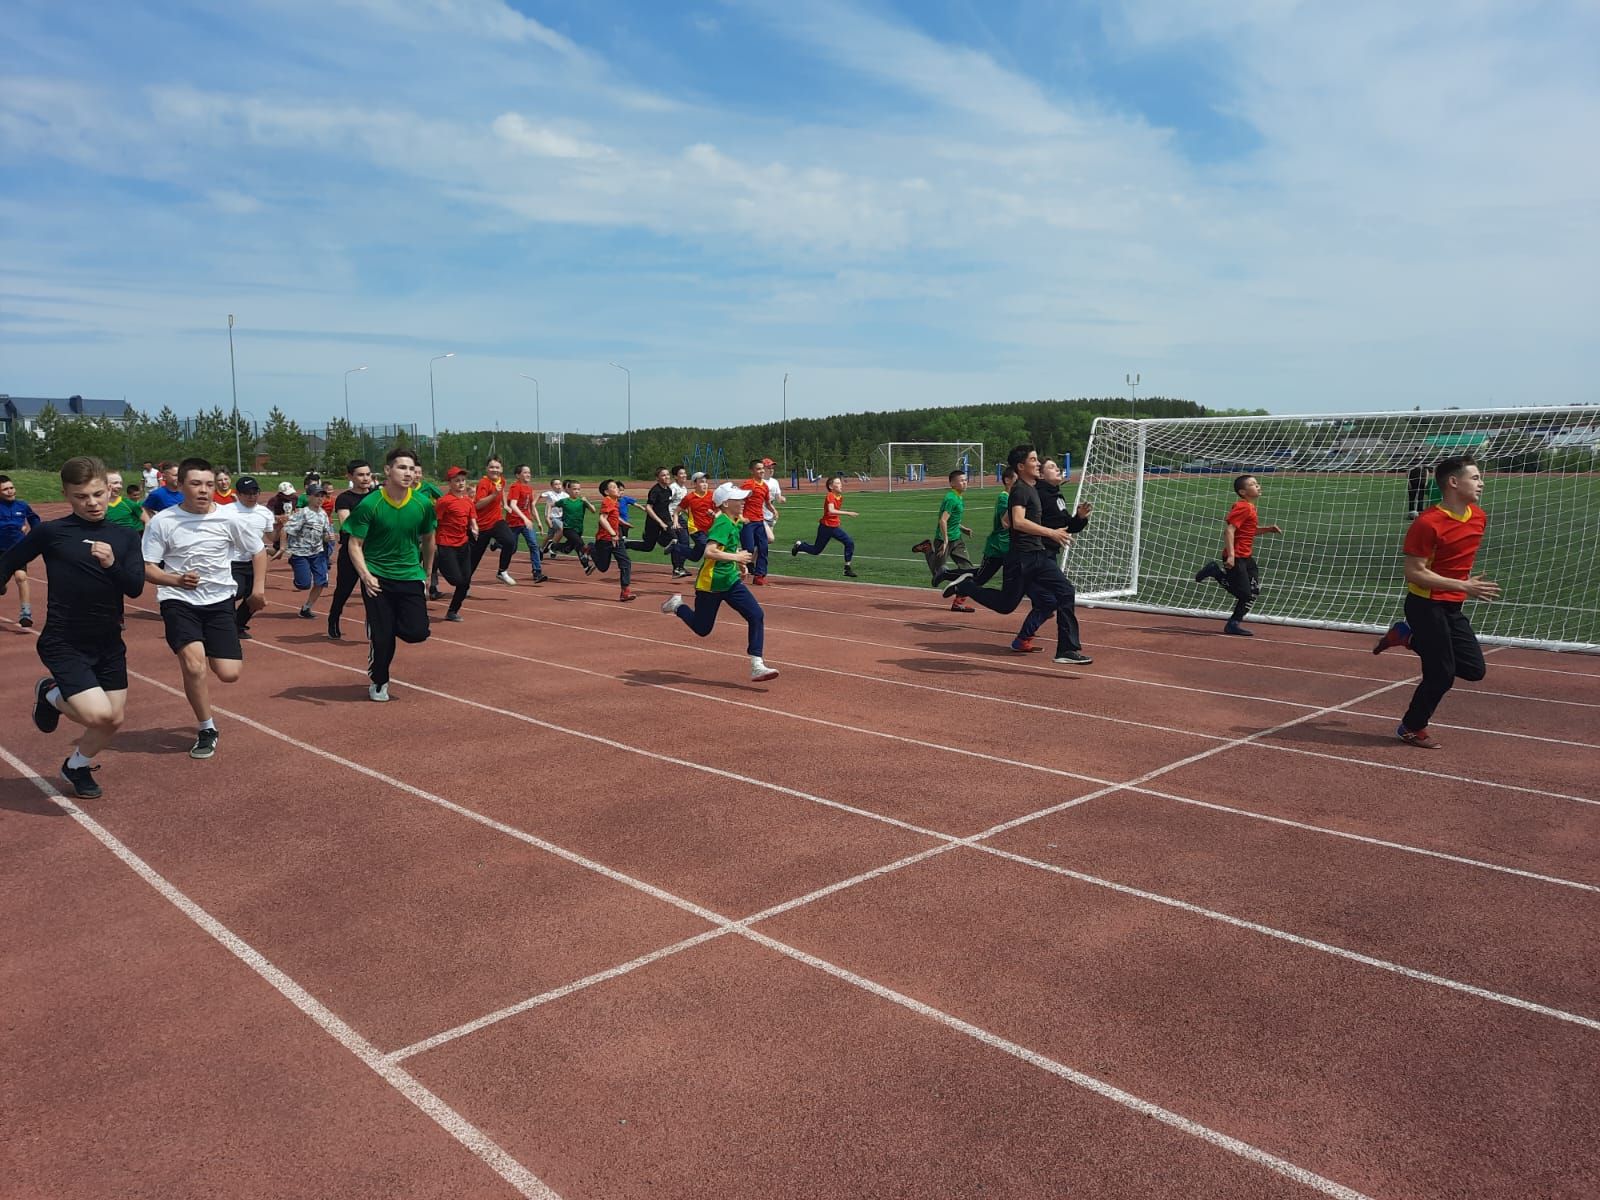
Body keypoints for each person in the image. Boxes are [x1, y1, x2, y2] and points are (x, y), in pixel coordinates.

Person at [2, 460, 146, 795]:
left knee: (114, 719)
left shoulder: (124, 536)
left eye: (97, 494)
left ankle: (76, 766)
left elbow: (135, 587)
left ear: (109, 490)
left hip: (109, 642)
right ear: (66, 494)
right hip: (64, 640)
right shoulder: (51, 533)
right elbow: (8, 561)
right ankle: (51, 694)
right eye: (82, 496)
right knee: (97, 716)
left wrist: (111, 564)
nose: (92, 502)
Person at [142, 457, 267, 758]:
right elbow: (148, 568)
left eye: (209, 484)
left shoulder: (230, 518)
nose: (204, 490)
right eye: (196, 484)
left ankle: (208, 644)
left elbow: (259, 551)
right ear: (180, 485)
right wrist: (176, 580)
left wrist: (258, 591)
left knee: (229, 673)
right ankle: (206, 727)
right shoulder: (164, 521)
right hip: (178, 600)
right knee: (194, 665)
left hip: (220, 601)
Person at [1373, 453, 1499, 749]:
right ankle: (1411, 727)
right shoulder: (1427, 523)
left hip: (1453, 605)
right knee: (1440, 673)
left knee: (1473, 670)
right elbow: (1414, 573)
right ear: (1454, 482)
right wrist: (1463, 585)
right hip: (1424, 605)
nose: (1481, 483)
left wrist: (1461, 587)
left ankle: (1405, 636)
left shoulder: (1479, 517)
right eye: (1476, 477)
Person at [344, 447, 437, 701]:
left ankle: (381, 624)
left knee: (418, 632)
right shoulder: (370, 504)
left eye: (411, 469)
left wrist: (427, 574)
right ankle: (379, 680)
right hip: (378, 578)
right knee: (383, 639)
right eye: (401, 467)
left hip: (410, 575)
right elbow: (354, 544)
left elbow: (429, 539)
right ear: (387, 470)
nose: (407, 474)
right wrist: (364, 575)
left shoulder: (422, 504)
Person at [660, 482, 778, 682]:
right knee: (702, 629)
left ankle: (757, 664)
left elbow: (730, 546)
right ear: (724, 503)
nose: (743, 502)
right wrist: (737, 558)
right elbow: (709, 551)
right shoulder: (723, 522)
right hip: (711, 584)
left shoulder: (734, 520)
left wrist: (738, 563)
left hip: (730, 582)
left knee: (756, 615)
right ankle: (678, 606)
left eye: (743, 498)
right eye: (738, 499)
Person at [997, 444, 1093, 665]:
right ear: (1040, 474)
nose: (1057, 469)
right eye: (1051, 466)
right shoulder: (1034, 490)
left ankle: (1026, 640)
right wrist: (1040, 533)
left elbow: (1067, 527)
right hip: (1031, 556)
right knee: (1039, 601)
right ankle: (965, 585)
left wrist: (1079, 518)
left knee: (1047, 602)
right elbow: (1008, 520)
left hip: (1044, 555)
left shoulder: (1056, 495)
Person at [1193, 474, 1283, 636]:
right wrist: (1231, 556)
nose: (1258, 486)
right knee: (1244, 594)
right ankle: (1214, 571)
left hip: (1247, 557)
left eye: (1257, 483)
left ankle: (1233, 624)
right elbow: (1229, 530)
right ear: (1243, 491)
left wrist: (1268, 529)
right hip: (1237, 557)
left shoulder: (1249, 507)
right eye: (1253, 484)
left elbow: (1248, 531)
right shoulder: (1243, 507)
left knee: (1253, 593)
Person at [945, 464, 1019, 613]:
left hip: (1009, 547)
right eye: (1017, 480)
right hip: (998, 546)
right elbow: (1006, 523)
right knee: (979, 578)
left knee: (1017, 579)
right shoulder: (1004, 498)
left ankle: (958, 600)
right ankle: (945, 575)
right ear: (1007, 480)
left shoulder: (1014, 497)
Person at [327, 459, 375, 641]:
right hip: (351, 551)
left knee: (372, 590)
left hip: (373, 553)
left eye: (368, 474)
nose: (365, 478)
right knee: (343, 590)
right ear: (350, 476)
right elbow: (347, 524)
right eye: (360, 475)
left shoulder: (377, 495)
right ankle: (334, 617)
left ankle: (372, 624)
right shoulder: (344, 498)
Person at [230, 477, 277, 639]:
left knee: (255, 598)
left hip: (256, 561)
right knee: (235, 592)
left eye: (255, 492)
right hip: (232, 561)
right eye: (247, 493)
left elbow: (271, 536)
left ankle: (238, 624)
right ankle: (224, 622)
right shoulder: (227, 511)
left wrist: (281, 527)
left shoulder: (264, 513)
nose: (252, 496)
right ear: (238, 494)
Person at [914, 470, 976, 587]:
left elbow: (953, 520)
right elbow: (943, 520)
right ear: (952, 484)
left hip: (957, 539)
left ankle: (960, 597)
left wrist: (962, 529)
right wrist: (946, 540)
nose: (965, 483)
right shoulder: (951, 498)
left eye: (965, 480)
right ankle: (927, 549)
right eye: (961, 481)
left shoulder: (958, 497)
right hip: (943, 540)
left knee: (967, 568)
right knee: (938, 573)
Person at [432, 467, 478, 622]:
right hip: (446, 544)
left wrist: (475, 527)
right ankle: (437, 563)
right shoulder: (444, 501)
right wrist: (432, 542)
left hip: (463, 544)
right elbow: (434, 522)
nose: (460, 483)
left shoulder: (467, 501)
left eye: (463, 480)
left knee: (465, 581)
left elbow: (472, 518)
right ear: (450, 483)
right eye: (457, 481)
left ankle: (452, 611)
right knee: (456, 580)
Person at [284, 483, 336, 619]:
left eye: (322, 496)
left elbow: (325, 534)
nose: (320, 499)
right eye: (316, 496)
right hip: (301, 553)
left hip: (318, 552)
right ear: (308, 497)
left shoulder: (323, 514)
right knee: (304, 584)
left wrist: (328, 537)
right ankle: (296, 566)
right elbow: (286, 529)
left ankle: (306, 608)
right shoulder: (302, 513)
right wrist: (283, 547)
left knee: (321, 581)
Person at [791, 474, 859, 577]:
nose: (841, 485)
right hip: (826, 527)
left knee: (849, 542)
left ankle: (847, 568)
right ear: (831, 487)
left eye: (840, 483)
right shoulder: (830, 495)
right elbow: (831, 511)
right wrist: (848, 513)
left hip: (834, 527)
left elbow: (834, 512)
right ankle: (799, 546)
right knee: (816, 550)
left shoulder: (840, 497)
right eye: (837, 483)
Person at [1, 474, 43, 627]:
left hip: (18, 549)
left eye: (11, 488)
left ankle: (26, 613)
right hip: (1, 551)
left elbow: (34, 520)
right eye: (5, 489)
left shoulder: (22, 506)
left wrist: (35, 533)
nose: (10, 491)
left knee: (21, 577)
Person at [470, 456, 519, 586]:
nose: (494, 470)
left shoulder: (501, 481)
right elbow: (478, 504)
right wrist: (493, 495)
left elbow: (501, 491)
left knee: (510, 541)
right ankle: (464, 583)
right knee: (474, 558)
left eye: (497, 467)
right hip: (482, 526)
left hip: (496, 521)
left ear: (501, 469)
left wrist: (505, 504)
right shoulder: (483, 483)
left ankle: (502, 571)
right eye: (491, 467)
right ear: (486, 469)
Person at [592, 479, 637, 601]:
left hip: (616, 539)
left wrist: (624, 523)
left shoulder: (615, 501)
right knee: (602, 567)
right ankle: (591, 548)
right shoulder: (607, 501)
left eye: (617, 487)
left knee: (625, 562)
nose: (617, 489)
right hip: (605, 539)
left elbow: (614, 518)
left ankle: (625, 592)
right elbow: (602, 518)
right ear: (606, 492)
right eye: (613, 487)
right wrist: (612, 533)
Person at [505, 464, 549, 582]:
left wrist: (538, 521)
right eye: (525, 472)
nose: (528, 474)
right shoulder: (515, 487)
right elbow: (513, 505)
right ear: (518, 475)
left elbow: (531, 506)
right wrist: (524, 518)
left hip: (526, 522)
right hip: (514, 522)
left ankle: (537, 572)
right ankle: (499, 546)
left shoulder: (529, 488)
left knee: (534, 545)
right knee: (512, 548)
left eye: (529, 472)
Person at [628, 466, 679, 558]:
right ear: (657, 478)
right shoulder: (655, 491)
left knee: (675, 538)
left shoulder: (668, 490)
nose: (667, 477)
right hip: (653, 522)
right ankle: (625, 544)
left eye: (667, 474)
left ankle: (677, 565)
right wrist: (660, 522)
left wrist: (671, 519)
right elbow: (648, 507)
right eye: (663, 475)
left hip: (666, 520)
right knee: (648, 547)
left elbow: (665, 507)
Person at [673, 471, 716, 577]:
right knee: (706, 546)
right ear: (694, 484)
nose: (705, 484)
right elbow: (676, 511)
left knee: (695, 557)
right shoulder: (689, 498)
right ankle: (707, 574)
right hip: (695, 528)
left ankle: (676, 547)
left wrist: (714, 514)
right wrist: (675, 522)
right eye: (701, 482)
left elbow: (719, 510)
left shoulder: (712, 495)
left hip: (709, 529)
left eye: (706, 482)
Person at [738, 458, 771, 584]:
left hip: (759, 521)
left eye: (762, 468)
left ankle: (759, 575)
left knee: (763, 548)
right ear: (752, 471)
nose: (761, 471)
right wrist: (741, 516)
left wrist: (773, 510)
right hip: (748, 522)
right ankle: (740, 569)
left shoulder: (765, 486)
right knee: (749, 549)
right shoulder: (748, 485)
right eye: (758, 469)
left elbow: (767, 502)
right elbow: (739, 500)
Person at [552, 482, 597, 573]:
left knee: (569, 549)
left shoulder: (582, 501)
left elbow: (593, 510)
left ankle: (554, 546)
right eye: (574, 489)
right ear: (568, 490)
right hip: (568, 528)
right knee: (581, 544)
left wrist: (586, 501)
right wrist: (547, 516)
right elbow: (551, 504)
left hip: (579, 529)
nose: (577, 491)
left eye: (578, 489)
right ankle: (587, 563)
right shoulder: (564, 501)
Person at [539, 477, 568, 556]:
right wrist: (533, 503)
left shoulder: (565, 495)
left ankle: (541, 549)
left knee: (551, 535)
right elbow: (539, 495)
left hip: (561, 517)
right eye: (556, 484)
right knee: (561, 530)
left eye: (559, 484)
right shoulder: (549, 493)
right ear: (552, 486)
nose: (558, 486)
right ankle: (551, 548)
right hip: (552, 517)